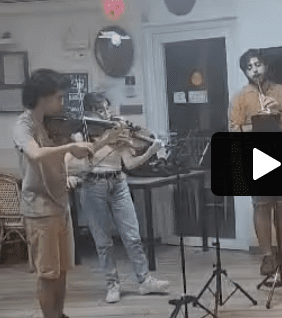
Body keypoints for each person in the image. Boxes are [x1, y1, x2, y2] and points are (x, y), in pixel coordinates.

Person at [12, 69, 104, 318]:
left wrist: (100, 141)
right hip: (40, 211)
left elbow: (65, 156)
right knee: (47, 273)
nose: (63, 103)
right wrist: (70, 146)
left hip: (61, 205)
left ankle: (59, 314)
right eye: (59, 98)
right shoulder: (24, 126)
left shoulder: (54, 124)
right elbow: (35, 154)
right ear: (43, 97)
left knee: (62, 270)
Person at [67, 93, 170, 303]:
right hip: (93, 185)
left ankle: (145, 281)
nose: (105, 114)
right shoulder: (81, 134)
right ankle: (112, 284)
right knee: (103, 241)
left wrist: (152, 150)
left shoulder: (117, 131)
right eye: (99, 110)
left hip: (119, 183)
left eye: (106, 109)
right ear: (88, 112)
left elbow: (129, 164)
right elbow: (77, 160)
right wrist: (106, 139)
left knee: (132, 237)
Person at [229, 49, 282, 275]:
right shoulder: (240, 97)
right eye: (249, 67)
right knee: (261, 206)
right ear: (245, 72)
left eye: (257, 65)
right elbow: (233, 129)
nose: (255, 70)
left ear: (265, 66)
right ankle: (267, 257)